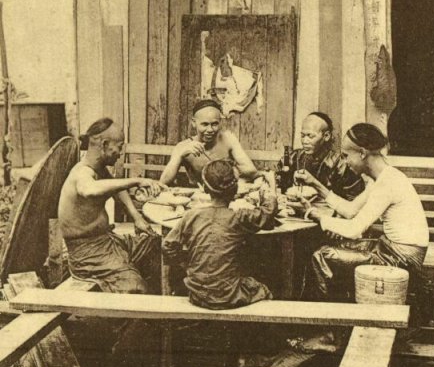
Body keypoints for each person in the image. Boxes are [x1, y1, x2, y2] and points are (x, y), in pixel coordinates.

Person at [301, 123, 429, 299]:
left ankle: (328, 317)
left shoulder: (387, 183)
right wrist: (315, 184)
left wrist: (318, 216)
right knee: (334, 247)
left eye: (346, 156)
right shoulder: (384, 176)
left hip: (401, 260)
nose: (345, 162)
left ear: (362, 153)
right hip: (389, 249)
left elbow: (354, 229)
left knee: (321, 255)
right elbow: (350, 210)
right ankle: (343, 306)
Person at [58, 117, 163, 293]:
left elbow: (116, 188)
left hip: (109, 241)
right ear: (105, 145)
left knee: (157, 245)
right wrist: (136, 180)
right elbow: (89, 189)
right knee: (136, 289)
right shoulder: (82, 173)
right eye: (120, 147)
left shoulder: (99, 168)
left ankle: (153, 293)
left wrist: (137, 218)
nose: (120, 152)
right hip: (89, 255)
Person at [162, 159, 278, 309]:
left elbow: (167, 245)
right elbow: (268, 211)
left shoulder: (191, 215)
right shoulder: (239, 217)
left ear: (204, 188)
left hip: (197, 293)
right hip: (229, 295)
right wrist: (271, 185)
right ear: (235, 190)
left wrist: (188, 264)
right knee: (264, 289)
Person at [160, 99, 259, 187]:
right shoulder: (182, 147)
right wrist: (180, 155)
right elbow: (163, 182)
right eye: (205, 124)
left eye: (214, 124)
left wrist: (226, 170)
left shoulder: (228, 139)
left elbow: (251, 171)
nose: (210, 129)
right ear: (194, 123)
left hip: (224, 194)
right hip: (198, 196)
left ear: (220, 122)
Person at [279, 112, 364, 201]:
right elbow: (280, 188)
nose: (305, 141)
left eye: (310, 136)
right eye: (302, 136)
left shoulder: (342, 165)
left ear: (326, 136)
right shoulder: (293, 158)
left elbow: (353, 202)